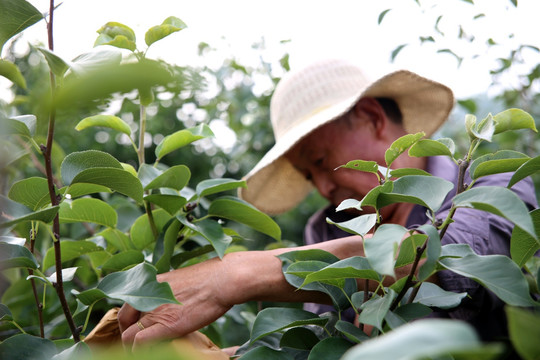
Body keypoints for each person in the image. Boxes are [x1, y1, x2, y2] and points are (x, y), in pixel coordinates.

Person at [117, 58, 538, 349]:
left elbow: (445, 260)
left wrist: (233, 274)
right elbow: (327, 346)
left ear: (374, 119)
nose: (321, 187)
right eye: (307, 174)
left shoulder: (492, 188)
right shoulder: (326, 231)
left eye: (321, 162)